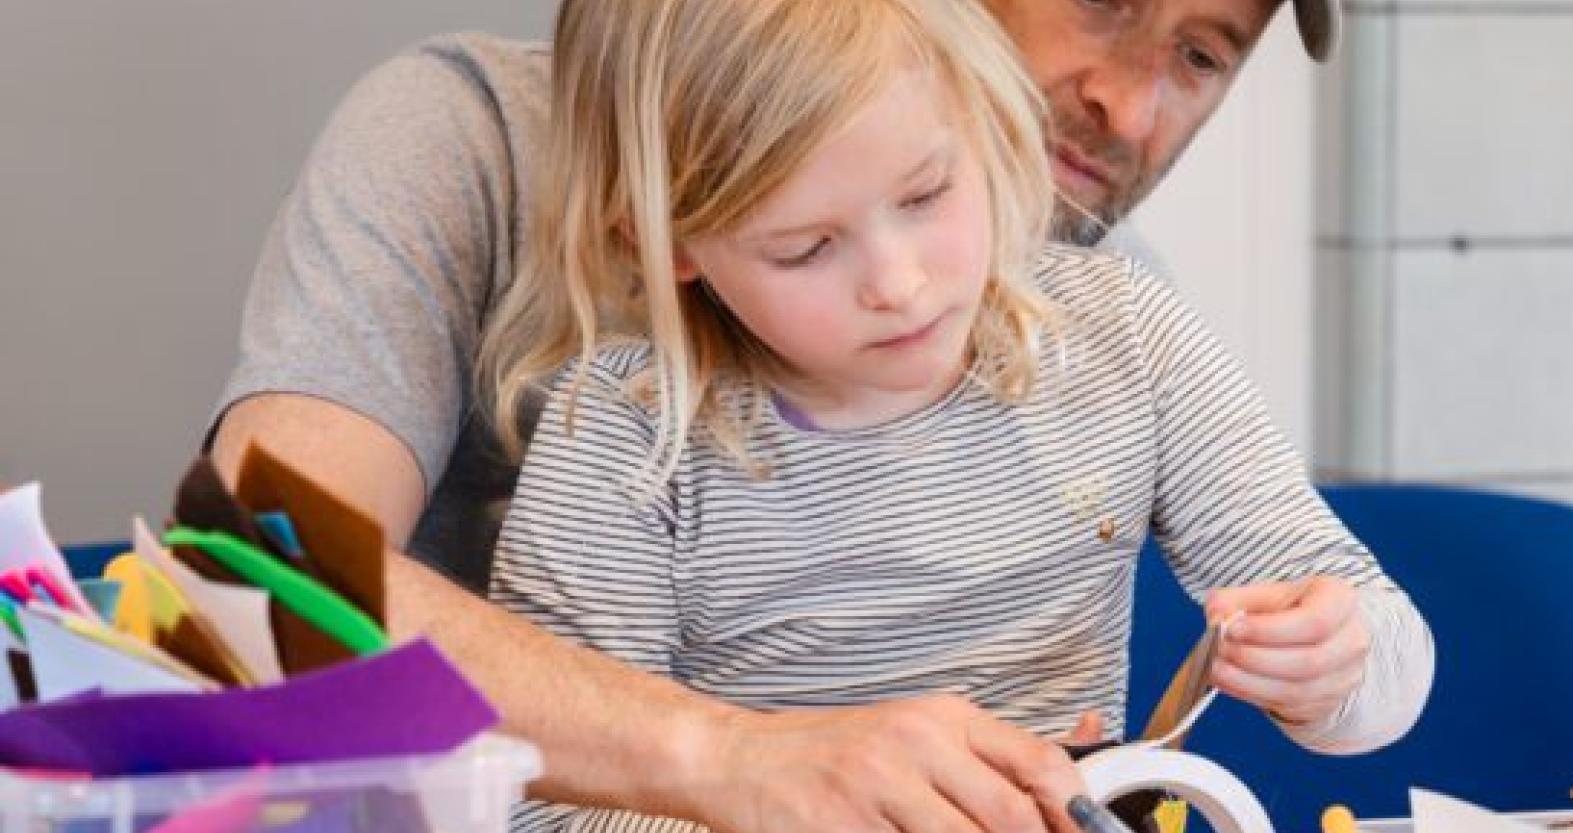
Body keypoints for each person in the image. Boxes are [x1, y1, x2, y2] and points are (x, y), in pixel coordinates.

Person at [204, 0, 1406, 830]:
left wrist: (1331, 654)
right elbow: (257, 574)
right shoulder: (613, 412)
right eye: (802, 244)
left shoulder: (1116, 323)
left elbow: (1353, 636)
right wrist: (745, 770)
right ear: (667, 243)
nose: (1129, 104)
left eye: (1202, 53)